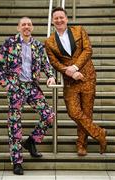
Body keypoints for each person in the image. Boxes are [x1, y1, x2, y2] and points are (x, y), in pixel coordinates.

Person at [0, 17, 55, 175]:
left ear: (32, 27)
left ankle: (31, 141)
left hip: (32, 87)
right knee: (15, 125)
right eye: (23, 24)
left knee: (48, 115)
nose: (26, 27)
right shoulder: (10, 43)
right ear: (18, 27)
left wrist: (50, 75)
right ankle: (17, 162)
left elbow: (45, 64)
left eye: (29, 24)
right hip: (16, 88)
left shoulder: (38, 45)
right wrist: (7, 84)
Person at [45, 7, 107, 157]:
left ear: (66, 19)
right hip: (70, 81)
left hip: (87, 77)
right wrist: (68, 71)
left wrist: (75, 66)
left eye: (61, 17)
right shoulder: (49, 42)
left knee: (87, 112)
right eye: (56, 18)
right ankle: (99, 133)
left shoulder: (79, 30)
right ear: (52, 21)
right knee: (73, 112)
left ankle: (81, 145)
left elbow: (88, 50)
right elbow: (54, 62)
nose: (59, 20)